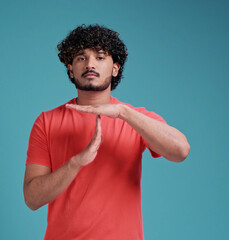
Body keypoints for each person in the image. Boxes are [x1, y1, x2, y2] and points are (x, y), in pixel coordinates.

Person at [23, 24, 190, 240]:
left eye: (100, 57)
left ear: (115, 69)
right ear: (70, 69)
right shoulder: (46, 121)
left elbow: (181, 150)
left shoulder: (135, 118)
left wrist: (123, 113)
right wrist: (75, 163)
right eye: (81, 58)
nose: (90, 64)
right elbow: (32, 199)